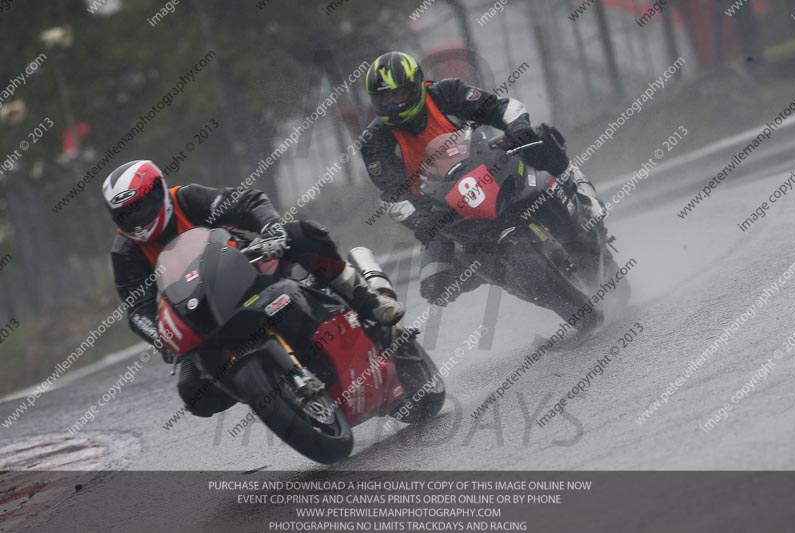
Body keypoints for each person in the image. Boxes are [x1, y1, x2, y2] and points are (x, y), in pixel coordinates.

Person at [103, 160, 404, 417]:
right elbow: (138, 310)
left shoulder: (187, 199)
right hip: (200, 315)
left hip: (246, 267)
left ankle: (367, 299)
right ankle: (270, 390)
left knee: (303, 234)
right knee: (193, 392)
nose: (137, 220)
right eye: (127, 214)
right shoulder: (125, 252)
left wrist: (271, 228)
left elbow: (247, 201)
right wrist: (163, 340)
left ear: (158, 191)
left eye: (140, 207)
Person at [360, 51, 606, 305]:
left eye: (400, 94)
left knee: (538, 138)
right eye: (386, 98)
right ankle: (504, 276)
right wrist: (420, 219)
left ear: (416, 86)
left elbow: (501, 107)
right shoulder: (374, 141)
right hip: (439, 208)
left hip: (487, 169)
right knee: (434, 285)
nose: (395, 103)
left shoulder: (447, 93)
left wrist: (518, 129)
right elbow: (392, 195)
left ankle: (581, 194)